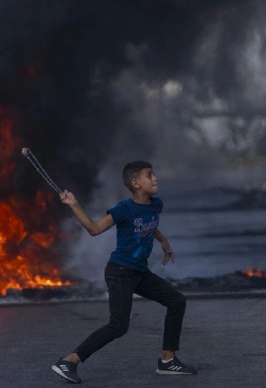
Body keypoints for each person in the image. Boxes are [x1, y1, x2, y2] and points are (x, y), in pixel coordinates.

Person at [51, 161, 197, 384]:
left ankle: (167, 360)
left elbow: (150, 223)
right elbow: (93, 229)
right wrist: (74, 204)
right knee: (118, 326)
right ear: (135, 183)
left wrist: (164, 241)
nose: (155, 178)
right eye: (150, 175)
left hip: (139, 272)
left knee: (177, 301)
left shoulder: (155, 204)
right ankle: (69, 361)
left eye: (154, 174)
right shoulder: (123, 209)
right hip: (120, 272)